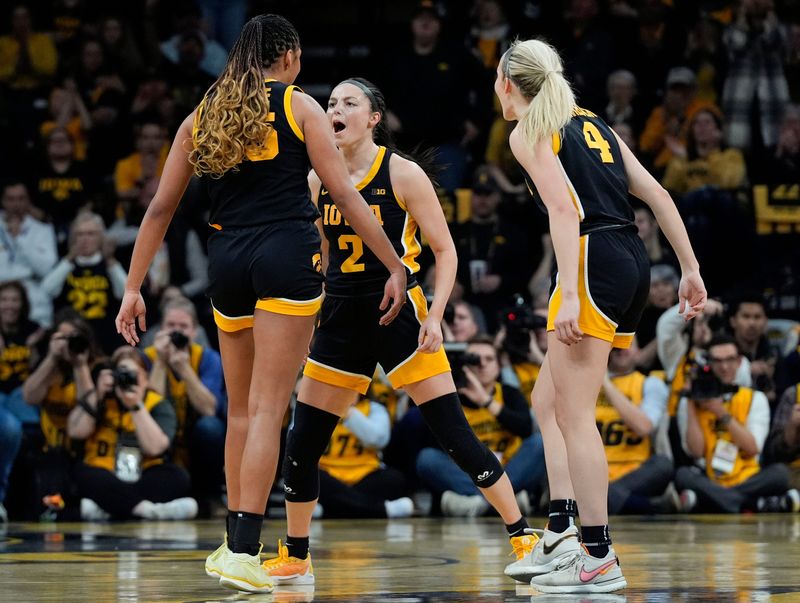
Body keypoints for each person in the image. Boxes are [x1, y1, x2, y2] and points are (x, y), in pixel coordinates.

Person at [116, 15, 408, 595]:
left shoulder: (204, 112)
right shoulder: (300, 106)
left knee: (243, 412)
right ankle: (245, 548)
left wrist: (132, 288)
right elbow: (345, 195)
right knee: (272, 408)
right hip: (285, 256)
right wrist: (394, 262)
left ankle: (233, 544)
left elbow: (158, 210)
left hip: (225, 260)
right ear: (290, 56)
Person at [262, 78, 533, 587]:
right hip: (341, 314)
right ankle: (297, 555)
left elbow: (445, 251)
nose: (335, 110)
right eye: (330, 104)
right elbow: (318, 256)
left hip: (399, 313)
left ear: (373, 118)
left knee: (454, 433)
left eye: (348, 103)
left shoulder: (403, 173)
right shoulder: (317, 178)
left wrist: (434, 317)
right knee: (302, 442)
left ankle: (522, 535)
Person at [494, 39, 706, 593]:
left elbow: (563, 211)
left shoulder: (528, 131)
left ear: (509, 84)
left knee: (575, 414)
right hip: (630, 257)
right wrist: (688, 267)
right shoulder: (594, 124)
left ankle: (596, 552)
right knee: (548, 401)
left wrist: (564, 293)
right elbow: (658, 194)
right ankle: (561, 528)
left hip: (590, 259)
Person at [416, 336, 542, 517]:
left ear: (498, 366)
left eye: (489, 359)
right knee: (427, 458)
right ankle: (509, 502)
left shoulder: (508, 393)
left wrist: (486, 401)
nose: (482, 364)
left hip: (508, 470)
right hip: (469, 474)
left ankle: (474, 504)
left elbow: (525, 429)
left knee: (538, 443)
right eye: (475, 359)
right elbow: (437, 443)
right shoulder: (452, 398)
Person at [67, 347, 197, 520]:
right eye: (122, 374)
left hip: (143, 473)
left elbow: (156, 448)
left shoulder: (157, 403)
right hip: (104, 472)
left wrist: (136, 406)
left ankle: (106, 508)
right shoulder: (102, 397)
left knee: (177, 477)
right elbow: (76, 432)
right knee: (86, 475)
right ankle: (150, 511)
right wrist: (97, 395)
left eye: (134, 375)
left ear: (145, 377)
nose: (127, 380)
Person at [674, 335, 791, 513]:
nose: (724, 367)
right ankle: (751, 504)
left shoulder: (755, 398)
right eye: (717, 361)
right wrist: (691, 403)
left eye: (730, 360)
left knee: (781, 473)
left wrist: (720, 412)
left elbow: (752, 448)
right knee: (683, 475)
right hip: (708, 475)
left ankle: (715, 501)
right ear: (709, 363)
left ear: (739, 362)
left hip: (747, 476)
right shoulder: (692, 401)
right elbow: (695, 451)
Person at [142, 297, 225, 507]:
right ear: (160, 329)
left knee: (211, 428)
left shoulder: (208, 358)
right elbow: (151, 409)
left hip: (193, 438)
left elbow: (209, 409)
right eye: (171, 325)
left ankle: (209, 496)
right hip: (160, 437)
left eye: (183, 326)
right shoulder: (146, 358)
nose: (176, 331)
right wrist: (161, 363)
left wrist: (185, 370)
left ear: (195, 331)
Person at [600, 340, 672, 515]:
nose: (622, 348)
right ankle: (636, 504)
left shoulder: (651, 384)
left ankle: (604, 499)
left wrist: (606, 383)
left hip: (635, 473)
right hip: (594, 472)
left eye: (628, 342)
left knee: (663, 465)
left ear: (638, 350)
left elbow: (644, 426)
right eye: (616, 344)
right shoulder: (586, 385)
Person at [41, 212, 127, 354]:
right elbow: (47, 289)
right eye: (80, 234)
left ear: (101, 238)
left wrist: (110, 260)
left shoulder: (110, 264)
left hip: (104, 335)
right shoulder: (66, 264)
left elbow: (125, 293)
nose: (84, 239)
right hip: (70, 336)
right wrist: (70, 258)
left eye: (90, 234)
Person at [316, 394, 413, 519]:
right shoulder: (316, 407)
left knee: (394, 479)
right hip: (327, 474)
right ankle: (383, 509)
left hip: (364, 475)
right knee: (308, 479)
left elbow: (379, 440)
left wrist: (349, 413)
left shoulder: (374, 408)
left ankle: (326, 510)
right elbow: (297, 443)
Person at [0, 181, 58, 327]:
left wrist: (19, 240)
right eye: (11, 199)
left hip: (32, 293)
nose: (16, 204)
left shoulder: (42, 229)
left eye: (21, 198)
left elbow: (47, 269)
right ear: (3, 201)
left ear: (28, 201)